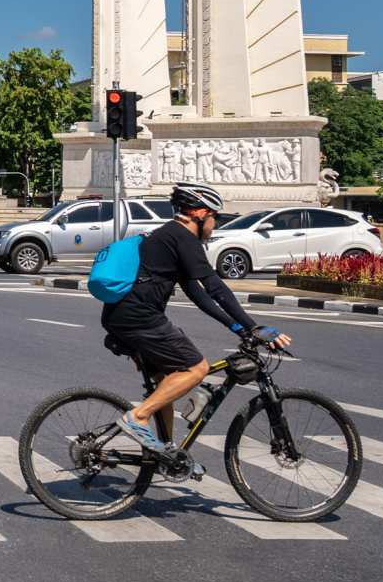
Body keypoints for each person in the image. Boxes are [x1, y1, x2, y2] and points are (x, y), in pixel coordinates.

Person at [101, 181, 292, 454]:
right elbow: (214, 286)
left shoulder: (170, 237)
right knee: (196, 368)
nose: (215, 225)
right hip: (139, 318)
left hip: (123, 316)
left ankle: (164, 452)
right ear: (200, 213)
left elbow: (198, 294)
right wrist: (254, 327)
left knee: (166, 380)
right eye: (215, 217)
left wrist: (240, 329)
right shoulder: (182, 237)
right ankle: (138, 417)